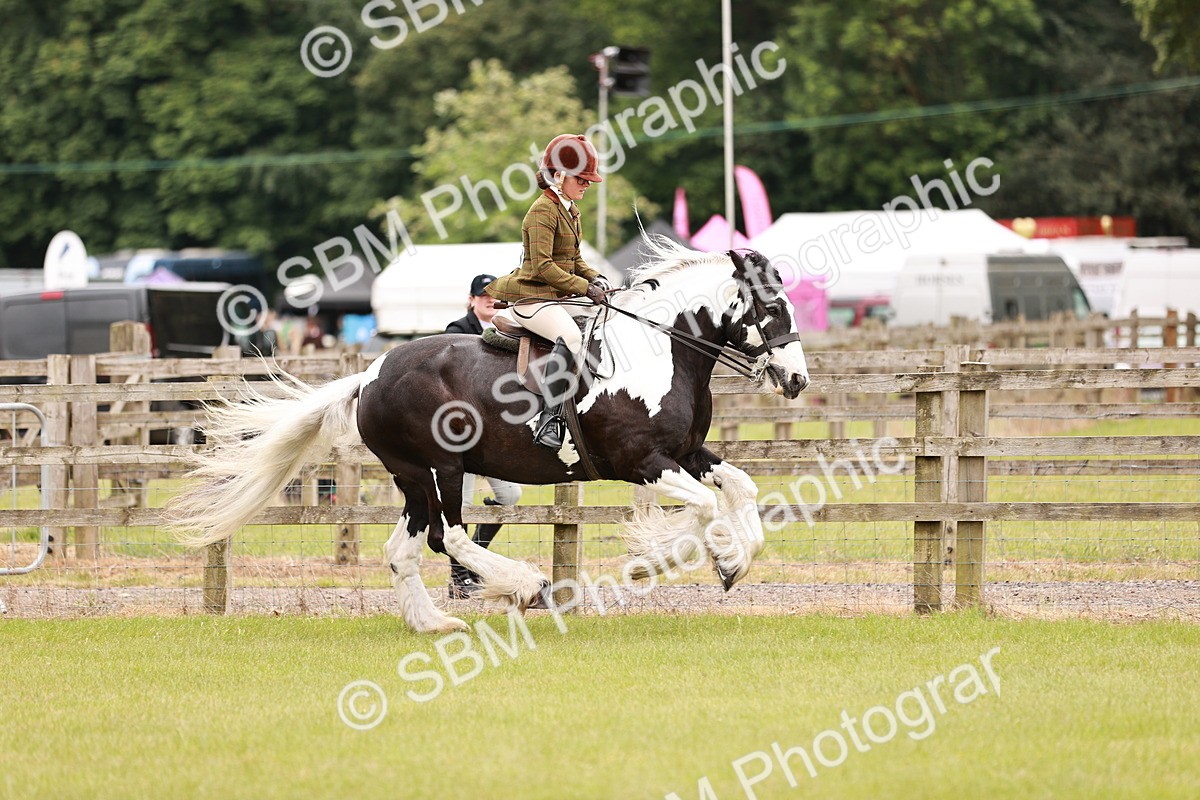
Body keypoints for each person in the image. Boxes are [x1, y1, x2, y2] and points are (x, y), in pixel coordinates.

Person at [486, 133, 610, 449]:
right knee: (570, 337)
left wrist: (597, 278)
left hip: (555, 297)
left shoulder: (569, 209)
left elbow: (574, 260)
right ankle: (549, 418)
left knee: (605, 319)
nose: (587, 184)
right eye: (581, 179)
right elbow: (544, 267)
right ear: (557, 175)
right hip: (533, 297)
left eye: (589, 179)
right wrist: (584, 288)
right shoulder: (543, 211)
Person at [444, 274, 524, 598]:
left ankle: (475, 559)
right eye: (483, 295)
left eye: (494, 295)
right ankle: (460, 576)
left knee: (510, 496)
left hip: (494, 437)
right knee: (460, 506)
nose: (490, 300)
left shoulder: (507, 329)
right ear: (472, 299)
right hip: (460, 434)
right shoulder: (456, 331)